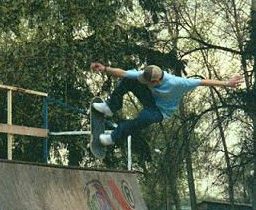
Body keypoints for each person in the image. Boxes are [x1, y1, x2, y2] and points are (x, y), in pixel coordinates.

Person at [90, 62, 243, 154]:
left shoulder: (178, 83)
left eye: (149, 83)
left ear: (157, 80)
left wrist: (227, 83)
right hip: (151, 101)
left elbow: (202, 82)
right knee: (127, 80)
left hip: (160, 112)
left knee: (144, 117)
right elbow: (123, 73)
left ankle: (112, 138)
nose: (146, 84)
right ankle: (111, 107)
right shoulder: (147, 76)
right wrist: (104, 68)